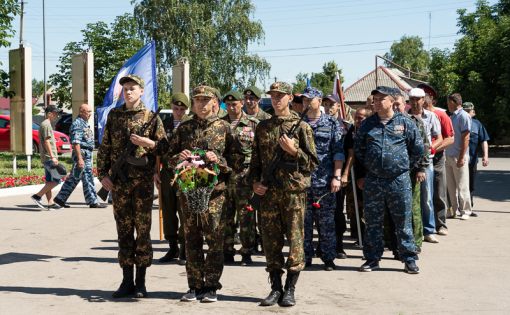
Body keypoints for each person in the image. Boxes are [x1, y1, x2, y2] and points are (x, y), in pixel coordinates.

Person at [249, 81, 318, 307]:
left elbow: (312, 164)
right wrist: (255, 184)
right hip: (269, 194)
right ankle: (276, 288)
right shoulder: (263, 127)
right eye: (274, 95)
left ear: (290, 98)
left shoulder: (302, 127)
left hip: (293, 193)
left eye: (281, 96)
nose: (277, 99)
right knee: (270, 241)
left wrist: (294, 150)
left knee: (296, 242)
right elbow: (256, 163)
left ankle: (290, 289)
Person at [97, 75, 166, 299]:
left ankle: (141, 283)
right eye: (125, 89)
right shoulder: (115, 116)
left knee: (143, 233)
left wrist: (148, 143)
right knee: (124, 232)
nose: (128, 92)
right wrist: (103, 176)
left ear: (141, 91)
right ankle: (126, 280)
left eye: (132, 88)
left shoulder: (151, 117)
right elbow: (104, 148)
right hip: (119, 185)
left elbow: (164, 148)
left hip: (143, 186)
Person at [163, 85, 233, 303]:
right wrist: (179, 157)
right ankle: (194, 285)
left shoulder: (224, 128)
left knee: (214, 239)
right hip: (189, 191)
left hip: (214, 193)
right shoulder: (184, 128)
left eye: (206, 100)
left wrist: (218, 160)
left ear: (215, 102)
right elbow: (169, 158)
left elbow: (236, 162)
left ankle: (211, 286)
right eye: (197, 100)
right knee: (191, 238)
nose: (201, 104)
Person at [354, 86, 423, 274]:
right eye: (374, 99)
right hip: (374, 180)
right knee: (373, 221)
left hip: (398, 180)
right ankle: (372, 259)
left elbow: (417, 150)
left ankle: (409, 259)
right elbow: (359, 150)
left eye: (380, 99)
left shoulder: (406, 122)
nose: (376, 102)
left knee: (403, 220)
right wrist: (370, 167)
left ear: (391, 101)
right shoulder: (368, 124)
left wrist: (402, 167)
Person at [302, 87, 344, 271]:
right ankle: (305, 257)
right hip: (302, 181)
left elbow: (338, 151)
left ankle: (328, 257)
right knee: (303, 223)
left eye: (309, 99)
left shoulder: (332, 123)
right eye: (303, 99)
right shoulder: (298, 123)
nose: (306, 102)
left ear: (319, 100)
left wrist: (337, 176)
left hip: (325, 180)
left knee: (326, 222)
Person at [222, 90, 259, 266]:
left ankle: (246, 251)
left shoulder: (252, 124)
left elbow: (259, 152)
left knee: (246, 217)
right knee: (225, 216)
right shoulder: (219, 124)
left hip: (245, 177)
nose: (231, 107)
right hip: (224, 176)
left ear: (242, 103)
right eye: (228, 104)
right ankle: (227, 250)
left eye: (234, 104)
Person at [157, 93, 190, 264]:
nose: (178, 112)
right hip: (167, 172)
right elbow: (158, 150)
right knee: (168, 210)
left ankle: (184, 248)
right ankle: (172, 247)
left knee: (184, 210)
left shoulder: (190, 125)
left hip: (185, 172)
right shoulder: (164, 124)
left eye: (182, 109)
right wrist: (156, 172)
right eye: (176, 108)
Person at [53, 104, 106, 209]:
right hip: (82, 155)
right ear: (81, 112)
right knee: (87, 177)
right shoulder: (78, 124)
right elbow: (76, 143)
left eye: (91, 112)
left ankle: (60, 198)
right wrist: (80, 159)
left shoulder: (84, 123)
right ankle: (92, 201)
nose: (90, 114)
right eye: (88, 112)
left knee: (74, 178)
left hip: (85, 154)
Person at [408, 88, 443, 244]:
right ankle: (413, 230)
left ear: (423, 100)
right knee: (409, 198)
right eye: (412, 99)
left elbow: (439, 137)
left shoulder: (431, 116)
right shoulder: (404, 117)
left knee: (426, 196)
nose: (415, 102)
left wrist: (429, 147)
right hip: (408, 162)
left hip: (426, 162)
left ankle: (428, 230)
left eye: (418, 99)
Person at [420, 83, 454, 235]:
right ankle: (422, 224)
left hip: (437, 157)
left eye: (424, 96)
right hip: (419, 159)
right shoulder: (413, 114)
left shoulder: (441, 115)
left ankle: (440, 224)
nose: (422, 99)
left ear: (431, 98)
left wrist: (433, 149)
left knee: (438, 190)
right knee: (422, 192)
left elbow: (450, 138)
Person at [445, 93, 472, 220]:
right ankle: (453, 210)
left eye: (449, 102)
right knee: (451, 187)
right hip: (449, 155)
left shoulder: (463, 116)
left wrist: (461, 157)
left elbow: (466, 137)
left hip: (458, 156)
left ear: (455, 102)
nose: (447, 105)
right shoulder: (452, 116)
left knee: (462, 185)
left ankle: (466, 210)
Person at [31, 105, 64, 210]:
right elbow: (46, 141)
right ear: (49, 113)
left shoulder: (46, 124)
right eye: (55, 113)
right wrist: (52, 156)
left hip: (47, 157)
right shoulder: (46, 124)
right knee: (57, 180)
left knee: (49, 181)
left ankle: (50, 203)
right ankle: (37, 196)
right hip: (49, 157)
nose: (56, 115)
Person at [463, 102, 490, 214]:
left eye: (469, 111)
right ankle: (457, 207)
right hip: (458, 159)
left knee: (470, 185)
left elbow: (483, 140)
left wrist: (485, 156)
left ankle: (469, 208)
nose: (469, 112)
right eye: (466, 111)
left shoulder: (477, 124)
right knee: (458, 185)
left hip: (472, 160)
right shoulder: (456, 121)